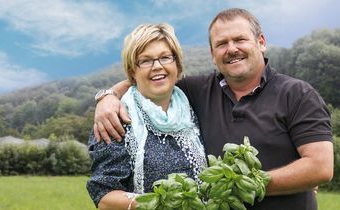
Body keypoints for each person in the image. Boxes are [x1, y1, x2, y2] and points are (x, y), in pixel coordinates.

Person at [92, 8, 334, 210]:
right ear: (212, 54)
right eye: (221, 43)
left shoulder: (298, 94)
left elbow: (321, 168)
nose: (231, 49)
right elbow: (151, 81)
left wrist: (242, 186)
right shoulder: (196, 91)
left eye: (239, 39)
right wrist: (108, 97)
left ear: (261, 43)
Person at [86, 23, 207, 210]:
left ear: (177, 63)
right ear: (133, 71)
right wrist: (159, 204)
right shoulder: (116, 118)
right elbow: (104, 196)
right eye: (146, 61)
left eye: (165, 57)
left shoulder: (194, 105)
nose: (157, 66)